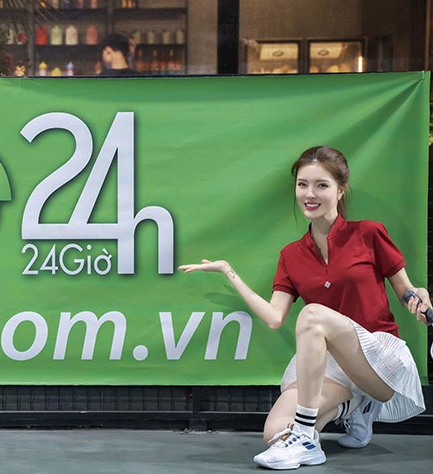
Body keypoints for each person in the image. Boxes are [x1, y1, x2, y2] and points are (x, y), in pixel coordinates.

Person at [178, 146, 427, 470]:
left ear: (341, 190)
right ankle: (352, 408)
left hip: (377, 358)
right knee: (275, 433)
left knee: (312, 315)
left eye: (321, 185)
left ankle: (307, 439)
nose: (310, 194)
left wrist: (418, 297)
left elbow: (405, 290)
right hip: (332, 366)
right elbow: (274, 318)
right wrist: (229, 272)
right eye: (302, 184)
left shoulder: (368, 233)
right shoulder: (291, 255)